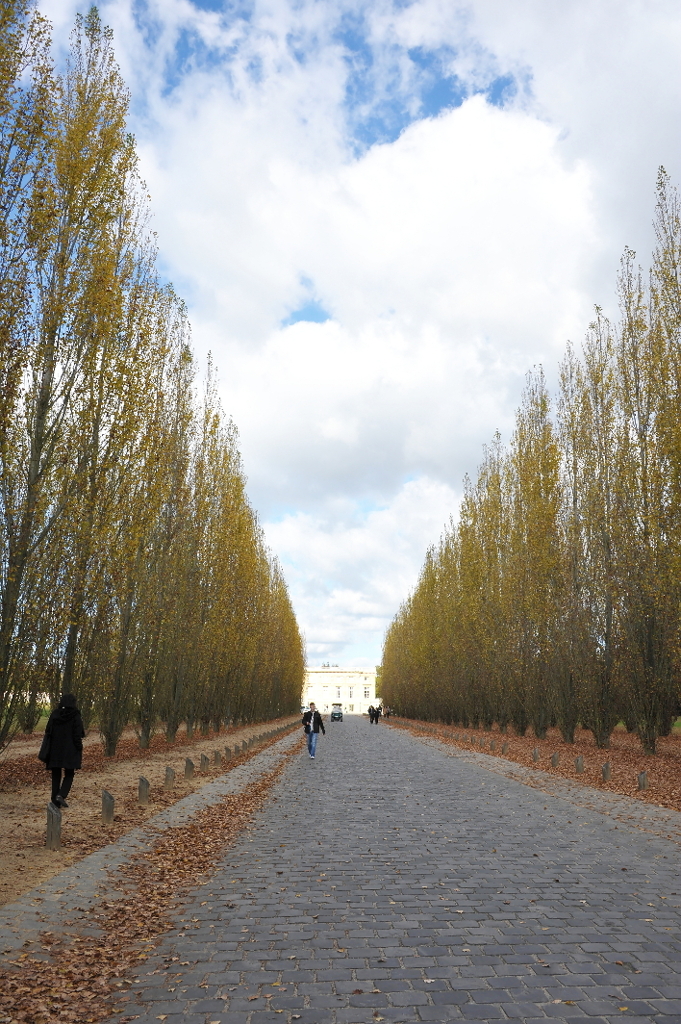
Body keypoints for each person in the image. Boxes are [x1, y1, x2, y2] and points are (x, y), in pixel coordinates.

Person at [38, 694, 85, 808]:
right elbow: (78, 734)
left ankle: (55, 801)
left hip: (55, 749)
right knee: (69, 773)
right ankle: (62, 794)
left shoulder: (55, 714)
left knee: (56, 774)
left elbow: (48, 731)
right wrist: (79, 747)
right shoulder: (75, 715)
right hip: (70, 750)